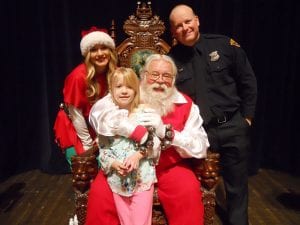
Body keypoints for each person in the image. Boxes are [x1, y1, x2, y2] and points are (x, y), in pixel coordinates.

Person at [86, 54, 209, 225]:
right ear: (144, 75)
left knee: (188, 192)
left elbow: (201, 146)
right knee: (100, 194)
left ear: (173, 80)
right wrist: (130, 129)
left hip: (169, 166)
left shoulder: (186, 105)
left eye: (166, 76)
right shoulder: (130, 92)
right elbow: (96, 114)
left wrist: (167, 133)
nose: (160, 80)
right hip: (124, 164)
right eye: (154, 74)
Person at [168, 4, 257, 225]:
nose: (184, 28)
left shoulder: (224, 45)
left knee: (236, 188)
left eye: (187, 21)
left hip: (232, 127)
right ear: (173, 32)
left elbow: (248, 81)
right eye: (178, 26)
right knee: (194, 187)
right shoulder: (171, 61)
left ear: (196, 20)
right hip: (199, 132)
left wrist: (247, 118)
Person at [99, 67, 159, 225]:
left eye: (129, 87)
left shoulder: (145, 113)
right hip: (118, 181)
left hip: (142, 178)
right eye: (119, 87)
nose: (124, 91)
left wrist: (138, 155)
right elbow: (103, 151)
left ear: (136, 90)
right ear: (111, 90)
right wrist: (113, 163)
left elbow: (154, 143)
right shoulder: (106, 120)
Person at [53, 26, 117, 166]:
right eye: (93, 50)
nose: (100, 53)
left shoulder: (115, 73)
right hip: (76, 127)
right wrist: (88, 146)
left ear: (110, 51)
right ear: (87, 54)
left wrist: (103, 136)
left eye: (104, 48)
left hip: (99, 127)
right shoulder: (77, 77)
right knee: (86, 165)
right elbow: (76, 114)